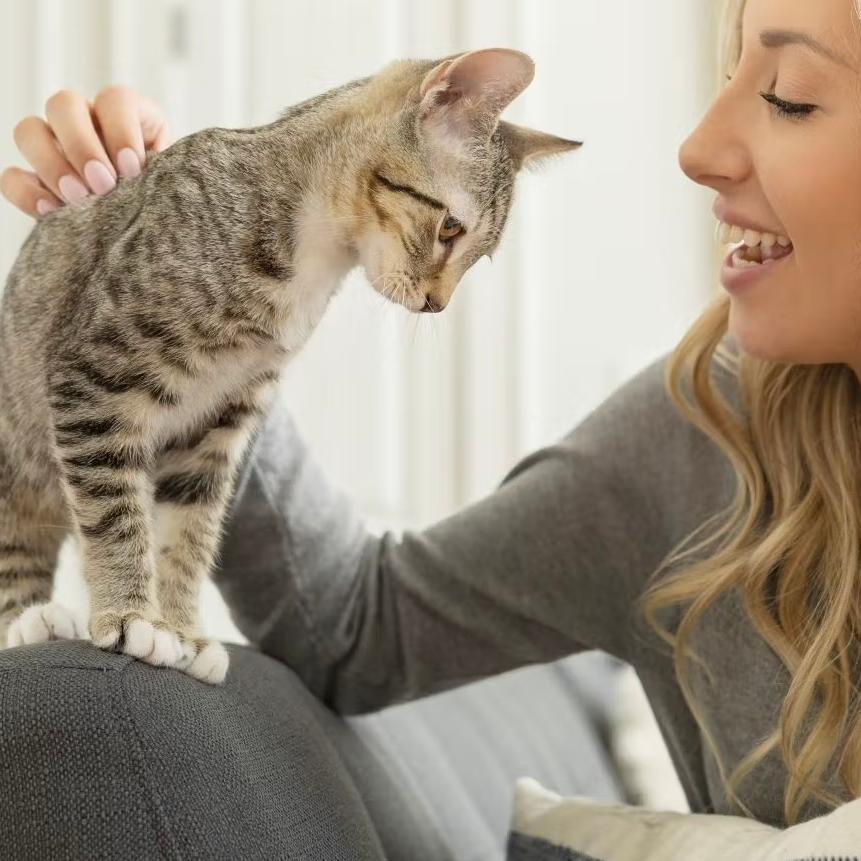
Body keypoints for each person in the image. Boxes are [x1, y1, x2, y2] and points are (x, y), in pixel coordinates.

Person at [2, 0, 860, 834]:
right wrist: (170, 270)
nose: (697, 147)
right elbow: (355, 628)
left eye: (789, 95)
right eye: (727, 76)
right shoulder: (701, 430)